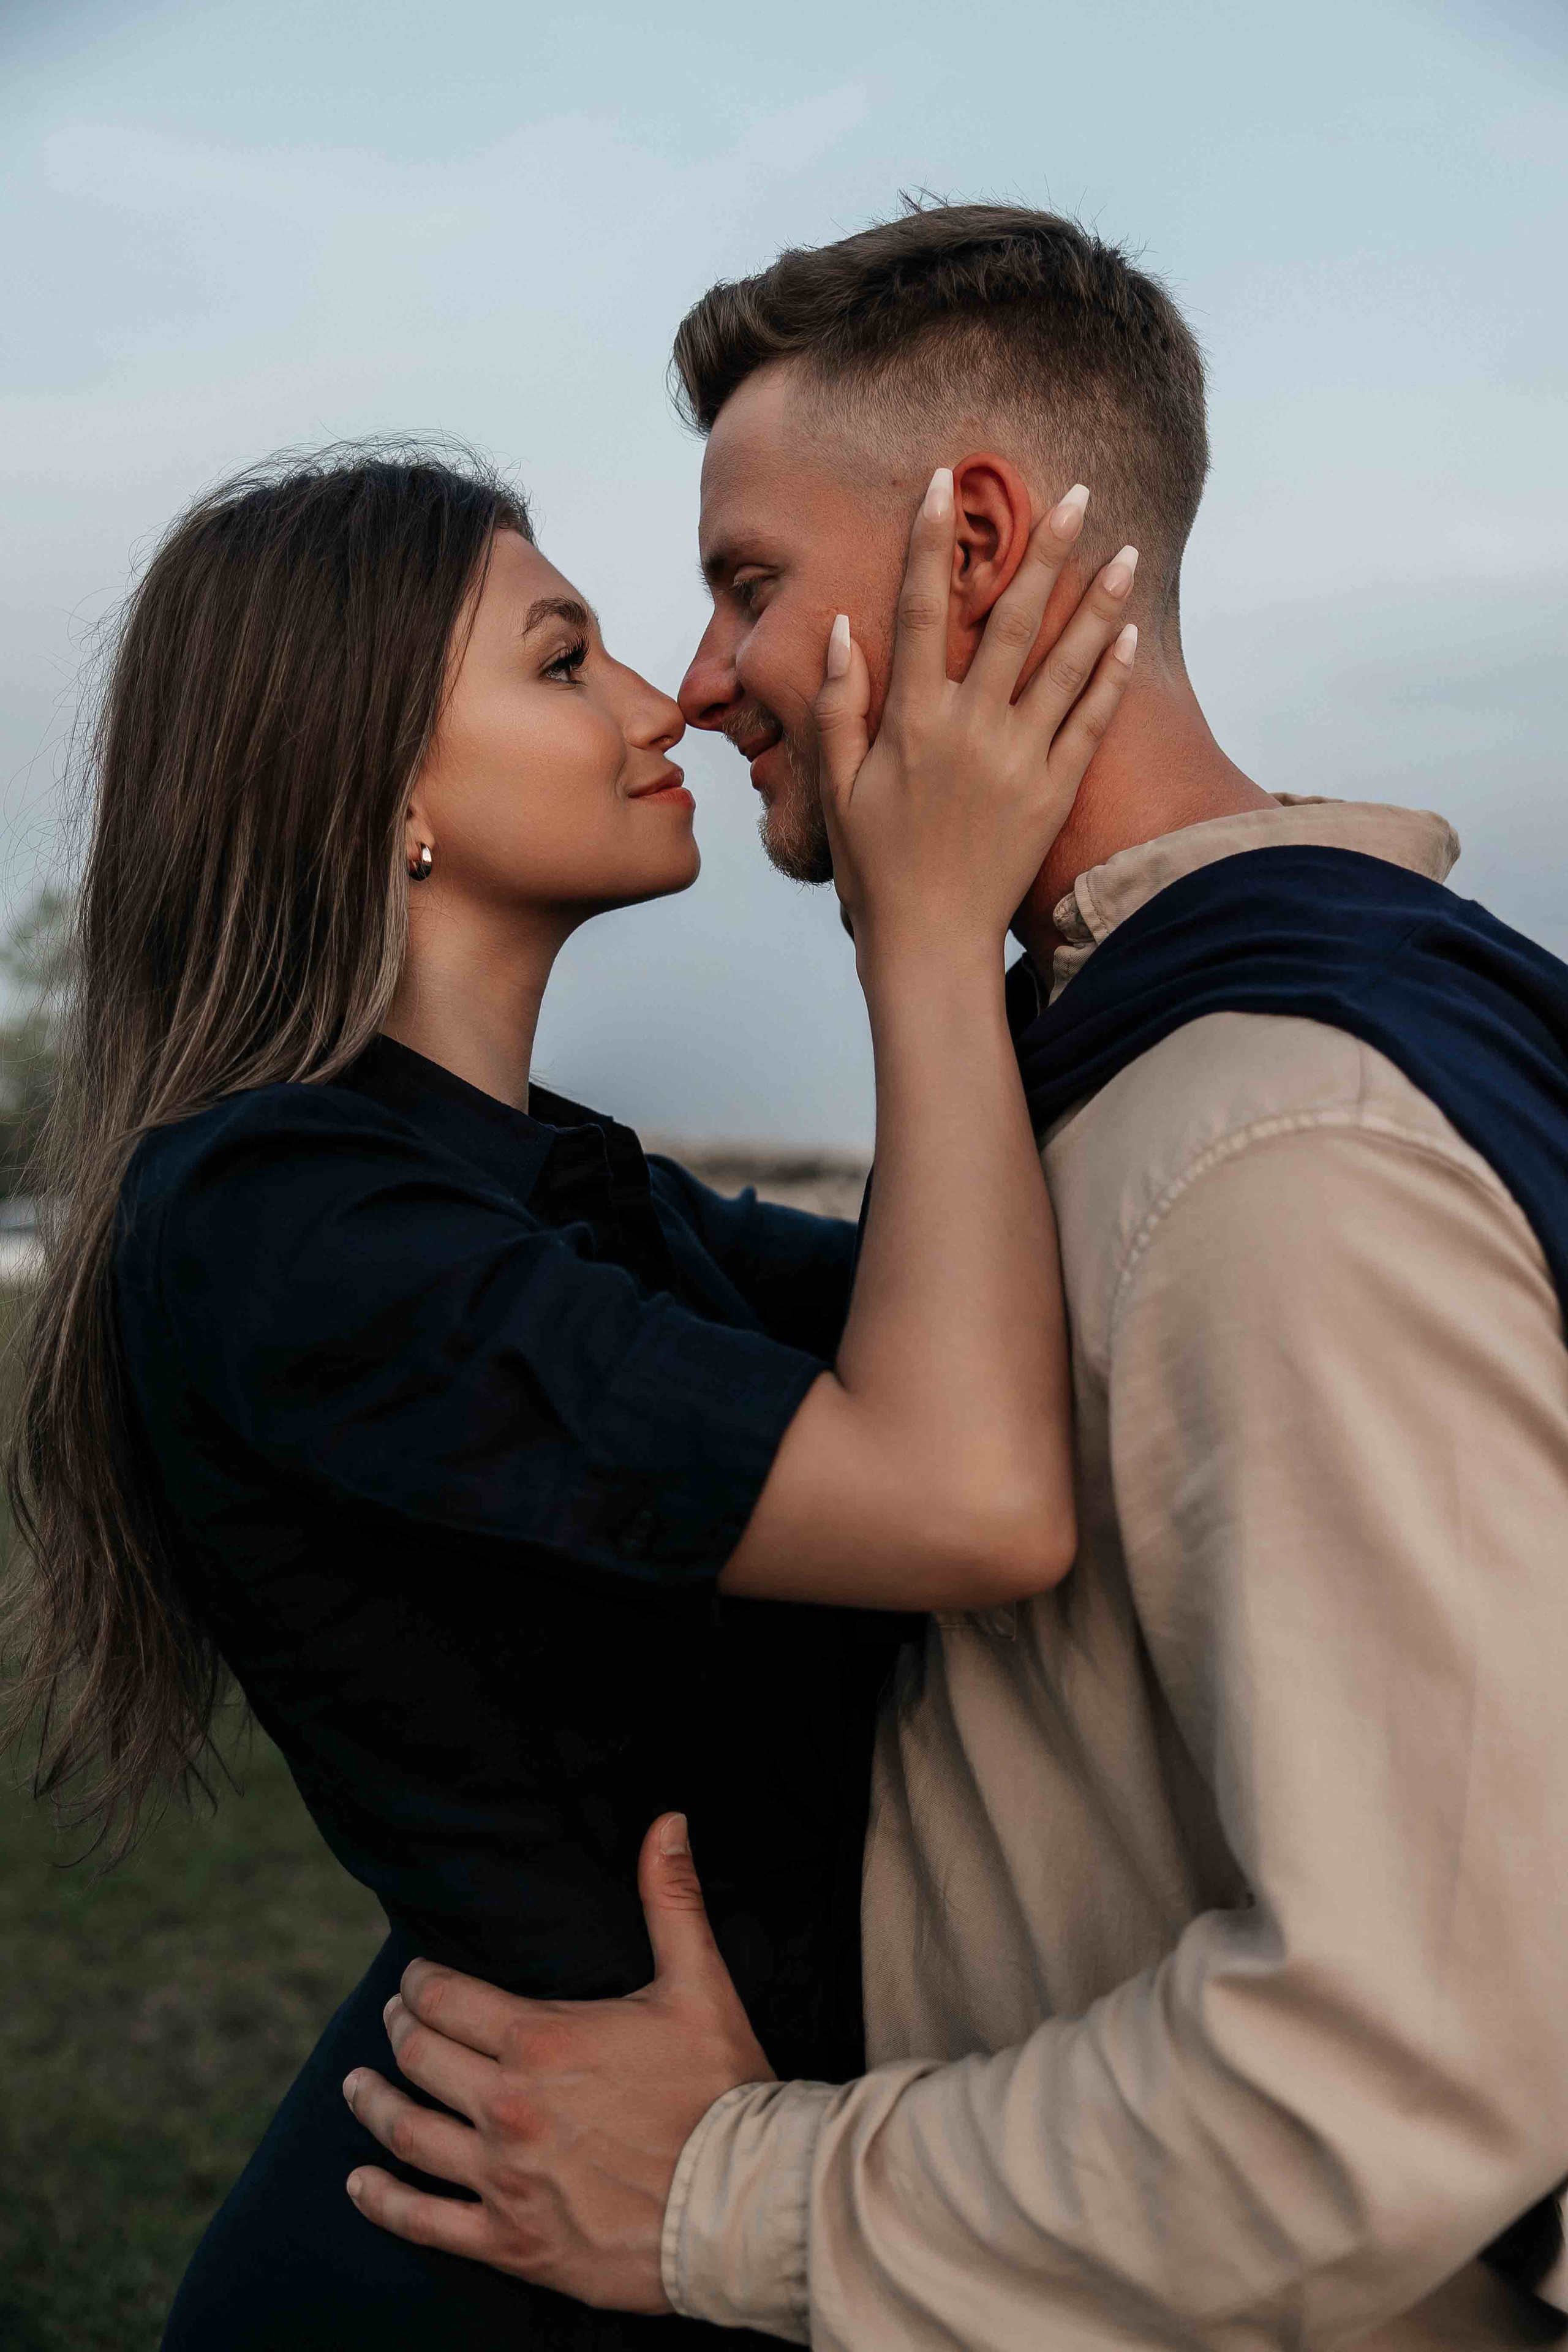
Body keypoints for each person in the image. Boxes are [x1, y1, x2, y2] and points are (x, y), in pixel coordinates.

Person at [342, 206, 1568, 2347]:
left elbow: (1416, 2060)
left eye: (746, 586)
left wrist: (735, 2199)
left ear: (972, 544)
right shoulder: (1148, 1085)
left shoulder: (1273, 1152)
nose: (701, 683)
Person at [3, 437, 1140, 2347]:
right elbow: (970, 1498)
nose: (665, 696)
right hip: (505, 2272)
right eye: (562, 660)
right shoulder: (284, 1224)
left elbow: (1012, 1341)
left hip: (684, 2195)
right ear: (375, 788)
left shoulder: (543, 1182)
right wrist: (923, 931)